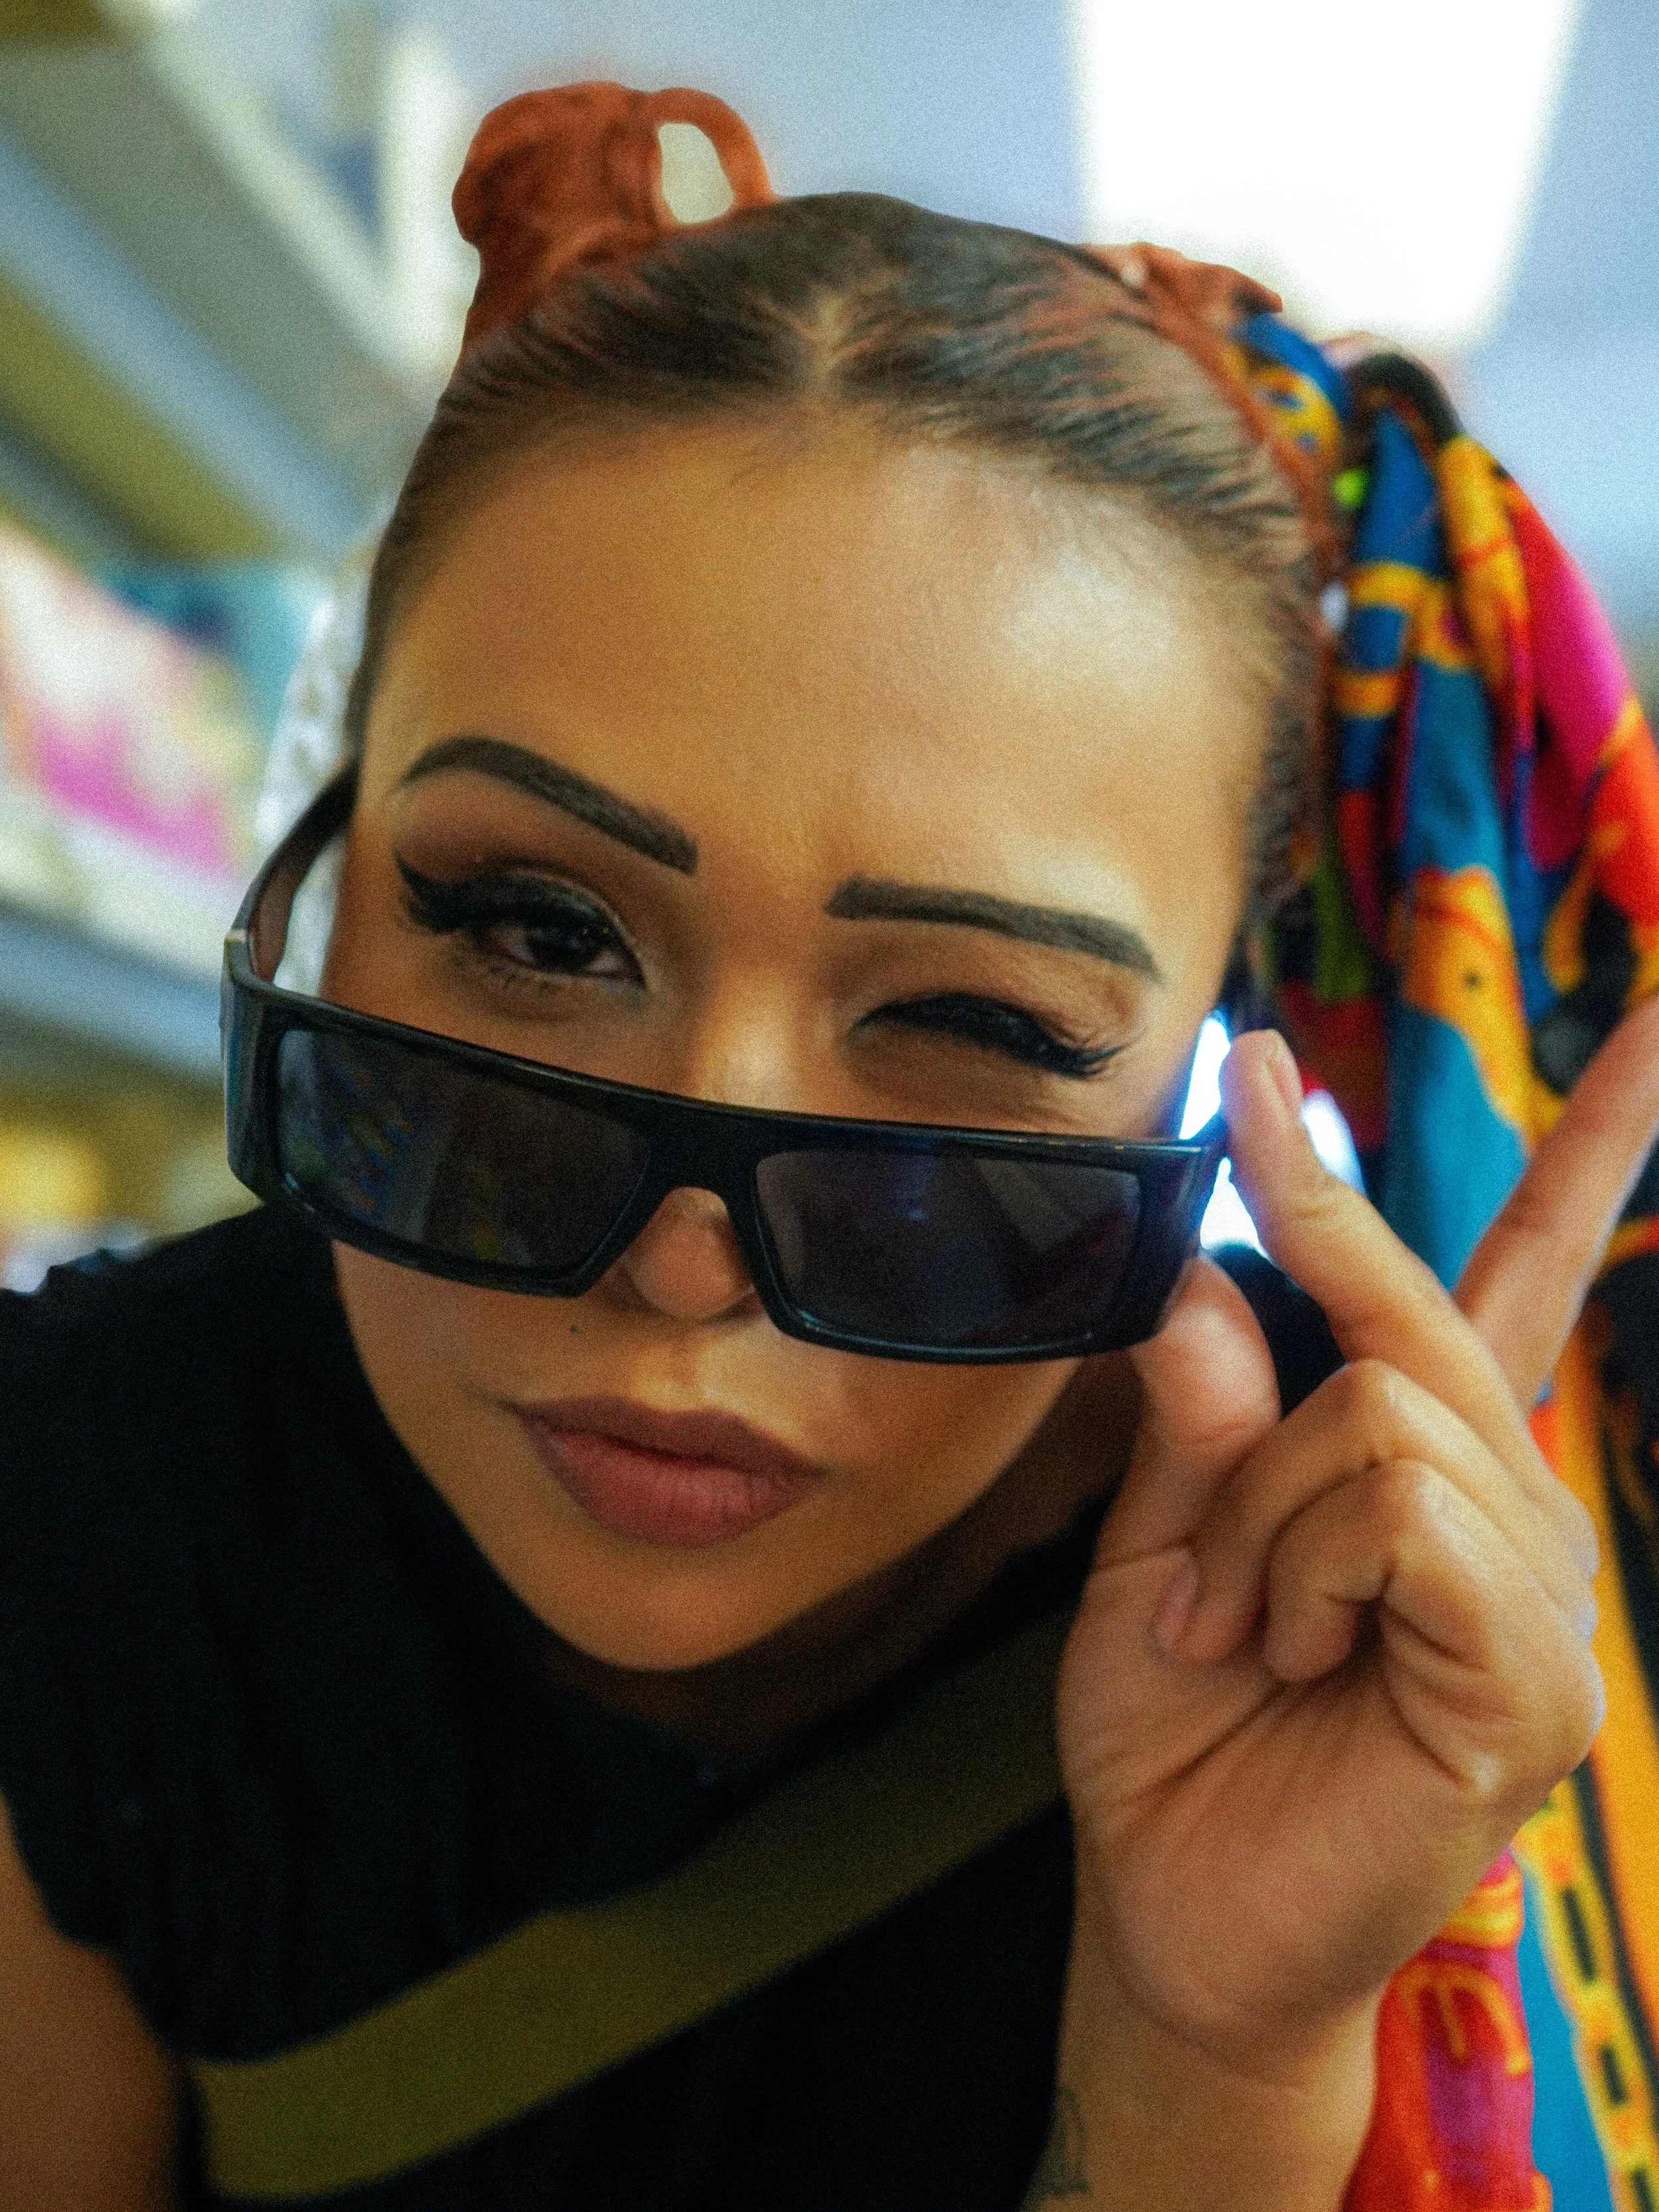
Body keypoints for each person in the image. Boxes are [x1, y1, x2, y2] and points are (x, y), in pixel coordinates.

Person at [2, 81, 1656, 2212]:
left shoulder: (1374, 1621)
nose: (683, 1270)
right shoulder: (99, 1494)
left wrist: (1213, 2069)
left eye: (975, 1022)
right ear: (320, 892)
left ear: (1207, 1076)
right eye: (533, 927)